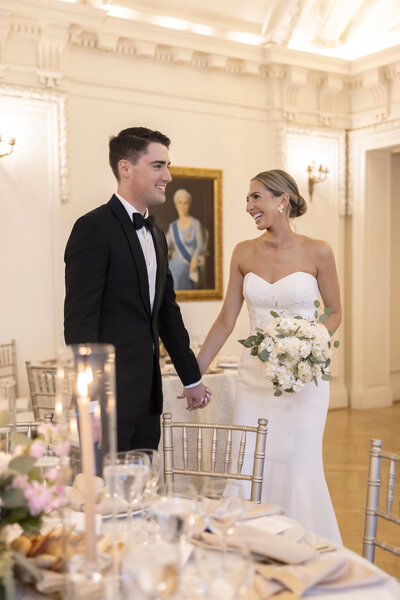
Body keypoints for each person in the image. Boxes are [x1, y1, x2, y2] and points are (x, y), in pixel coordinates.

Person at [196, 169, 342, 544]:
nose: (248, 207)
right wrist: (193, 373)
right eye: (248, 199)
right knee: (250, 461)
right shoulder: (243, 252)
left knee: (298, 464)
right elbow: (227, 319)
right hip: (255, 379)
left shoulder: (319, 250)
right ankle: (247, 547)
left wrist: (309, 346)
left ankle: (304, 546)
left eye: (255, 197)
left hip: (304, 380)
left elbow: (334, 311)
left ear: (283, 200)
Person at [64, 127, 211, 453]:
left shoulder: (157, 234)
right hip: (106, 402)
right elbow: (80, 326)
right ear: (125, 168)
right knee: (105, 497)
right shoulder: (93, 228)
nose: (168, 176)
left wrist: (192, 379)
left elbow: (167, 314)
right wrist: (87, 404)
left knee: (140, 494)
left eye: (167, 166)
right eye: (158, 165)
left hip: (148, 399)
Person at [166, 189, 205, 290]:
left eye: (185, 203)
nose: (182, 206)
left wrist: (195, 258)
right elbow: (164, 245)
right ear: (176, 205)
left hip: (190, 264)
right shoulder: (172, 226)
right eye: (180, 202)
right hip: (175, 265)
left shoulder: (195, 223)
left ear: (189, 205)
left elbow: (200, 245)